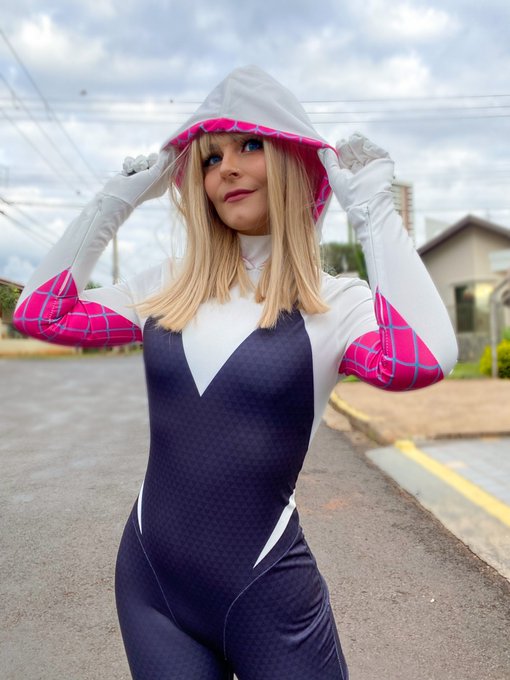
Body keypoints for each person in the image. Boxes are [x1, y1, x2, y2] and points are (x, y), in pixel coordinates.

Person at [13, 65, 458, 680]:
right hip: (151, 589)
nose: (225, 168)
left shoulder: (335, 303)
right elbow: (39, 312)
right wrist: (117, 198)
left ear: (296, 161)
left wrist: (373, 209)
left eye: (250, 145)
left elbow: (425, 357)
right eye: (210, 157)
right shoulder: (167, 289)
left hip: (267, 597)